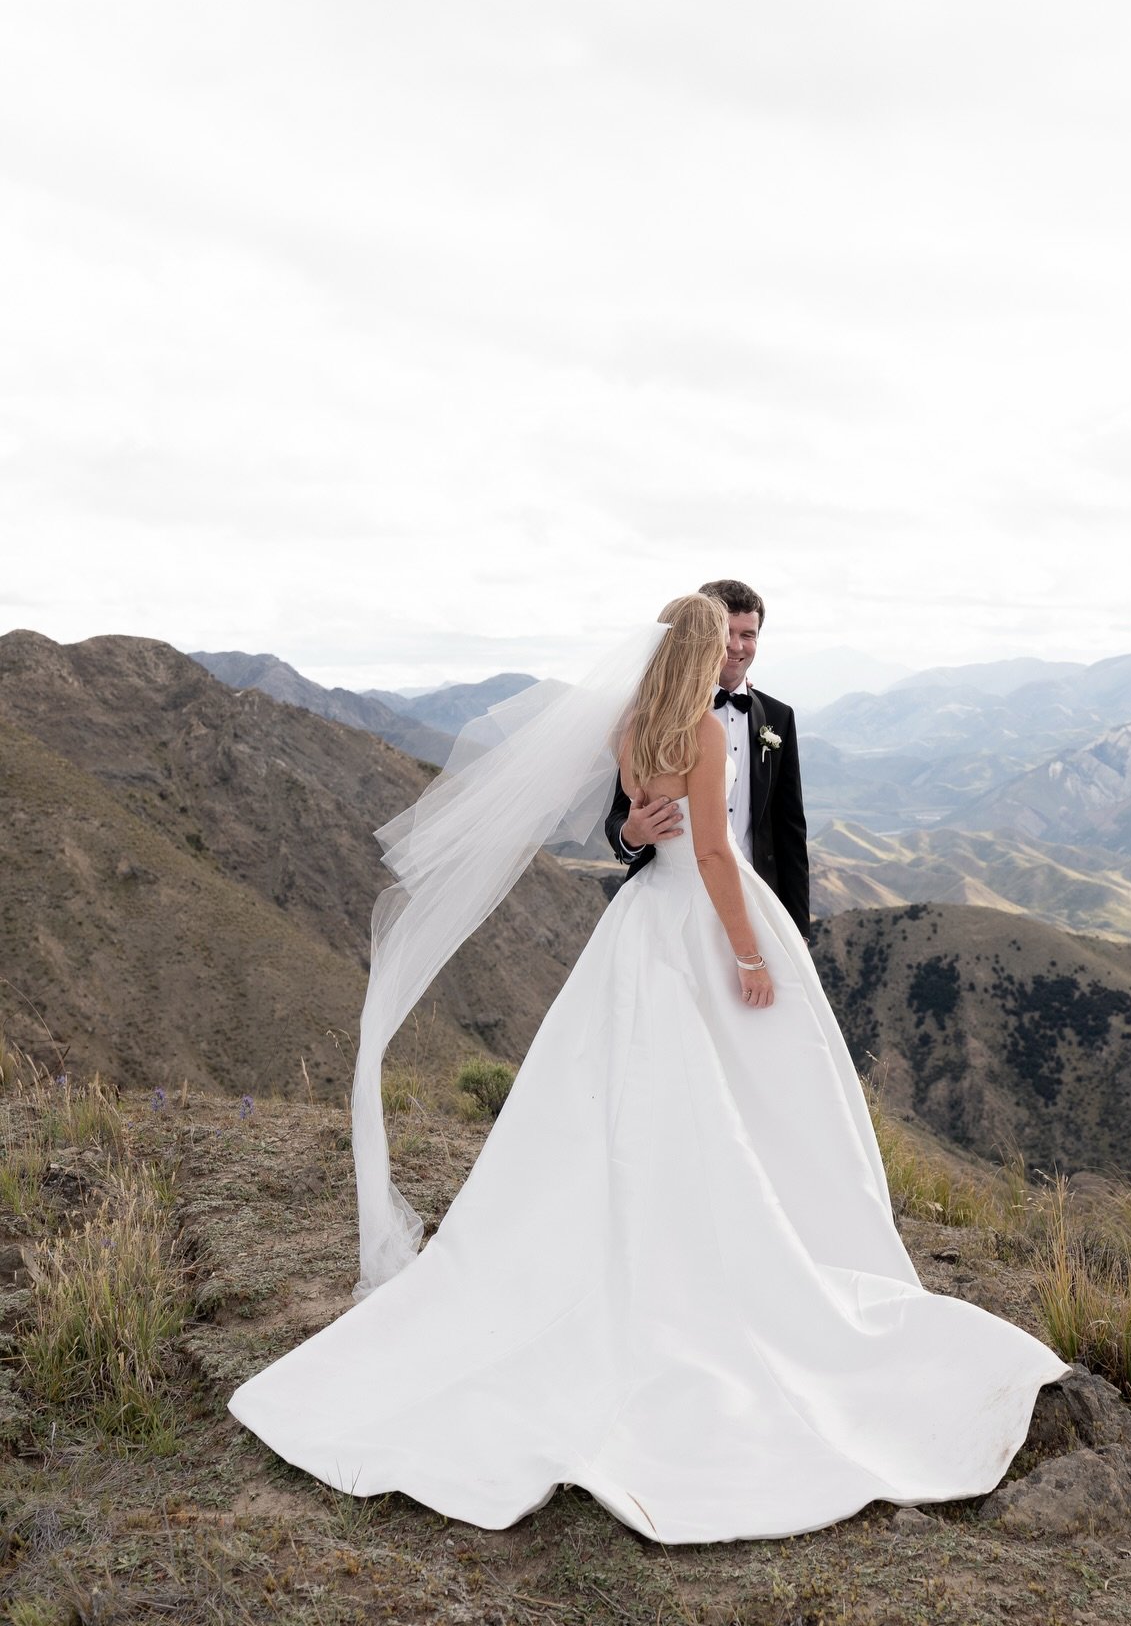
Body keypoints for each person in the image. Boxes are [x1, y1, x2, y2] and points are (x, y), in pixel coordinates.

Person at [227, 594, 1067, 1545]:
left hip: (641, 931)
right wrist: (750, 953)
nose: (735, 655)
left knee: (650, 1095)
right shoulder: (706, 734)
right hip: (704, 922)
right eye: (728, 642)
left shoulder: (635, 725)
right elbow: (707, 850)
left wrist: (654, 834)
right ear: (709, 650)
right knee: (741, 1088)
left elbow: (681, 823)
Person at [606, 578, 809, 938]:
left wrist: (796, 931)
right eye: (726, 633)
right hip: (674, 906)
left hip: (757, 903)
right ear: (703, 636)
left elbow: (789, 831)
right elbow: (624, 810)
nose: (736, 646)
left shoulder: (779, 717)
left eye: (749, 634)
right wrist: (631, 835)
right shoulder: (651, 720)